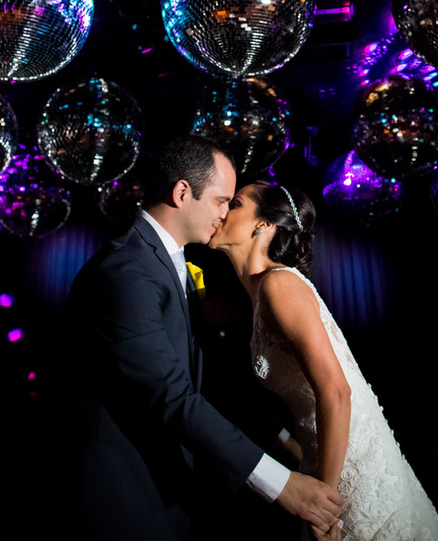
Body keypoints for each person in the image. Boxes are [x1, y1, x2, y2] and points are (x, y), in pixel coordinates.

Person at [65, 137, 343, 540]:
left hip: (168, 486)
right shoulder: (126, 270)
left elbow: (209, 377)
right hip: (121, 489)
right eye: (221, 201)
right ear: (182, 193)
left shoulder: (171, 264)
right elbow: (171, 395)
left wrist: (285, 442)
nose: (225, 213)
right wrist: (282, 485)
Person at [208, 182, 438, 541]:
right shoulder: (263, 290)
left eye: (235, 203)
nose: (221, 210)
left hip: (350, 467)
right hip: (322, 456)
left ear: (263, 224)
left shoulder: (279, 285)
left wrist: (324, 506)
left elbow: (337, 391)